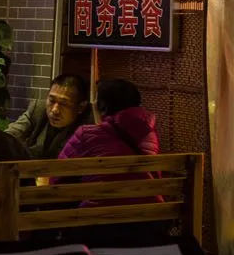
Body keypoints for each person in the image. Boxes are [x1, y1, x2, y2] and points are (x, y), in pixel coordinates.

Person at [56, 79, 161, 210]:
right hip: (148, 217)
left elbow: (57, 179)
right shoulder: (149, 132)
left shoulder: (87, 134)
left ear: (103, 107)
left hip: (99, 221)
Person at [5, 74, 88, 160]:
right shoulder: (38, 109)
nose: (55, 110)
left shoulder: (88, 127)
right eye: (52, 100)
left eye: (64, 104)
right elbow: (10, 137)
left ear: (81, 107)